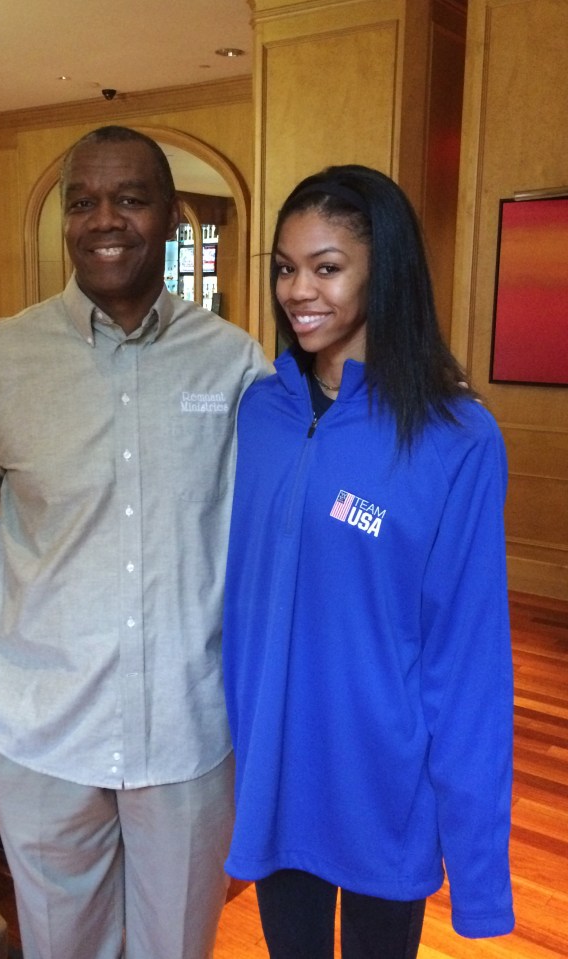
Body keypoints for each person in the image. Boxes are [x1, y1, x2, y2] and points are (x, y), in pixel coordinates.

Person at [0, 125, 270, 959]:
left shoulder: (234, 365)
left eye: (129, 197)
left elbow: (265, 541)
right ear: (64, 224)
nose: (104, 219)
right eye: (81, 202)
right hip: (39, 728)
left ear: (171, 216)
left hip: (185, 729)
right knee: (61, 947)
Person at [222, 164, 515, 958]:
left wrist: (482, 878)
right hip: (275, 780)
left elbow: (470, 661)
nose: (297, 290)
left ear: (384, 273)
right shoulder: (261, 413)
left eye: (326, 267)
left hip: (384, 784)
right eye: (285, 267)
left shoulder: (455, 436)